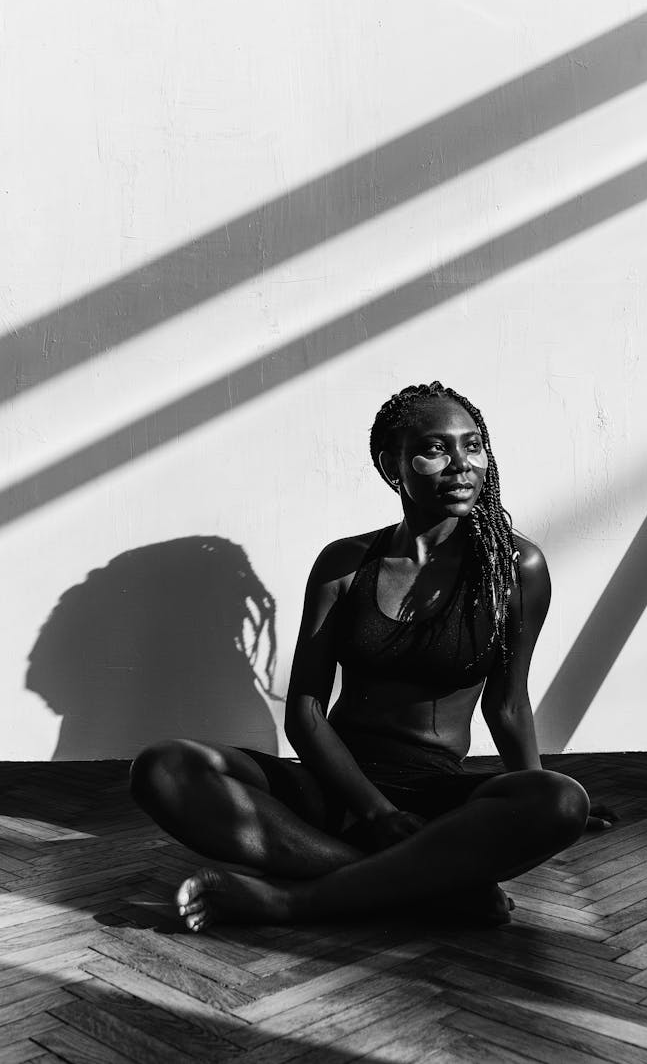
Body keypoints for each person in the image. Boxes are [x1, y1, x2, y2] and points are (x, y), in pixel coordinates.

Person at [130, 381, 596, 932]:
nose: (461, 465)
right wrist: (375, 812)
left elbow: (509, 705)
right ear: (390, 465)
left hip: (437, 797)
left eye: (473, 446)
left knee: (562, 800)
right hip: (333, 785)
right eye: (435, 449)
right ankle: (428, 890)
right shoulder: (346, 564)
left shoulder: (514, 567)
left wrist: (530, 809)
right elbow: (305, 711)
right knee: (163, 767)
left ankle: (291, 902)